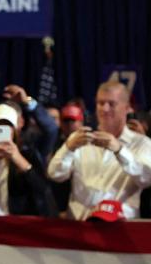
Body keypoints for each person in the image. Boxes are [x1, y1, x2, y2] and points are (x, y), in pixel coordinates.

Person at [47, 81, 151, 220]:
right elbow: (55, 174)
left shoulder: (141, 143)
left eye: (111, 104)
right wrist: (68, 148)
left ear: (127, 108)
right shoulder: (80, 138)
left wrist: (120, 151)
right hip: (79, 226)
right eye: (100, 103)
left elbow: (146, 179)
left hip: (121, 228)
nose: (105, 109)